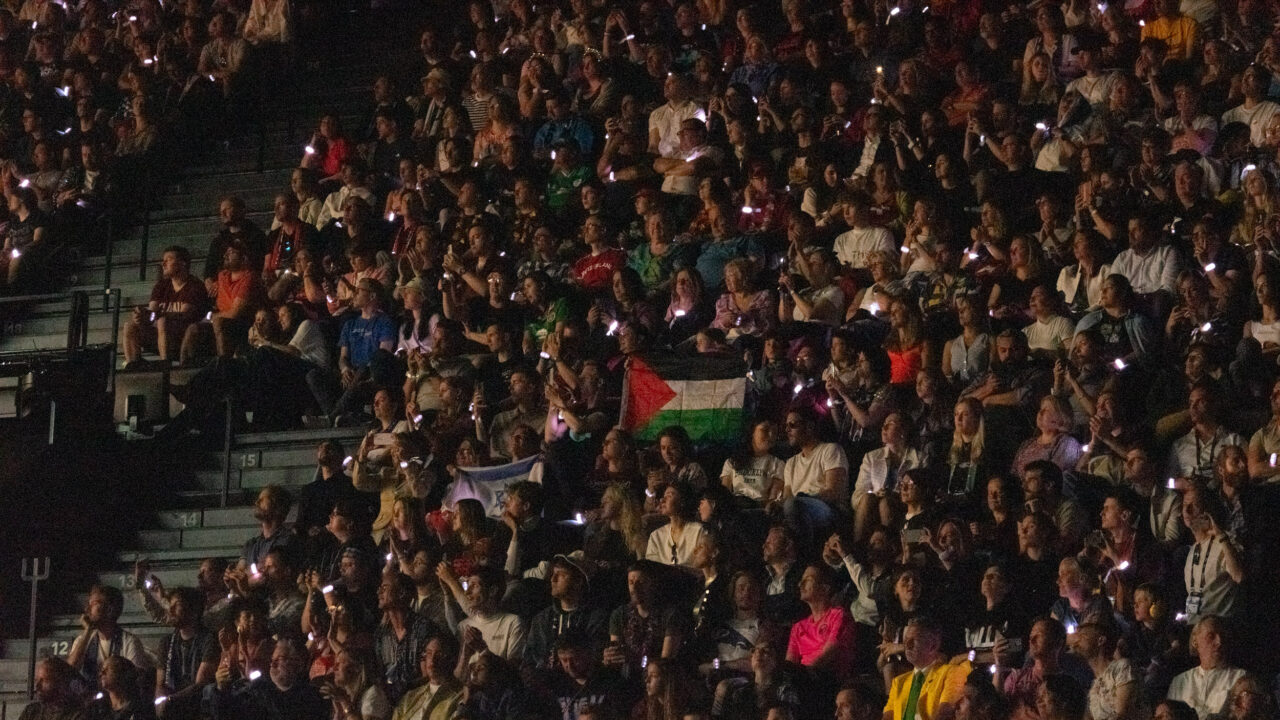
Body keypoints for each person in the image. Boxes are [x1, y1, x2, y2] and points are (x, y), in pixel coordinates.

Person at [208, 635, 328, 720]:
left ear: (298, 663)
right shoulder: (259, 687)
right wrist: (220, 690)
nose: (272, 664)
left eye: (280, 659)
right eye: (272, 660)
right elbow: (228, 715)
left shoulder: (309, 696)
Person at [67, 585, 153, 692]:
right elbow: (70, 671)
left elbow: (136, 680)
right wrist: (88, 631)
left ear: (109, 609)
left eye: (94, 604)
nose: (87, 609)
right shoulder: (83, 640)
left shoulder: (129, 641)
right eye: (89, 604)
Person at [882, 616, 970, 720]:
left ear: (933, 646)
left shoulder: (952, 672)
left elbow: (944, 714)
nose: (907, 645)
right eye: (906, 640)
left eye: (914, 640)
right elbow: (887, 716)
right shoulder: (898, 682)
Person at [1165, 617, 1245, 720]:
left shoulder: (1239, 678)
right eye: (1211, 636)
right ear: (1195, 641)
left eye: (1222, 636)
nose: (1219, 642)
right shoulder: (1180, 681)